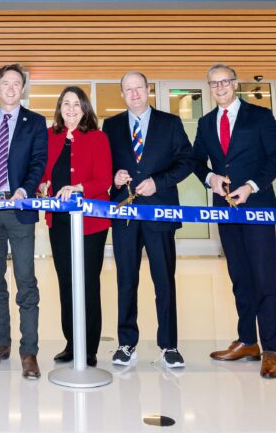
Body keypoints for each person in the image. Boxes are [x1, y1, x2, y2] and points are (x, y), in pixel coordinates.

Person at [192, 64, 276, 379]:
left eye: (224, 81)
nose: (219, 87)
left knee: (263, 278)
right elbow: (195, 160)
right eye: (213, 83)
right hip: (225, 209)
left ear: (235, 84)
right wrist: (210, 178)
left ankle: (270, 349)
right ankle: (248, 341)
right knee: (239, 277)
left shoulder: (259, 116)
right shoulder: (206, 123)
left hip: (257, 207)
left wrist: (251, 186)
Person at [102, 71, 194, 369]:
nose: (134, 94)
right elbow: (105, 165)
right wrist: (114, 177)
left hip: (160, 211)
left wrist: (160, 182)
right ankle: (126, 343)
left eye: (138, 88)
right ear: (122, 94)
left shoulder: (170, 123)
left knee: (164, 281)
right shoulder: (111, 125)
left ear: (148, 89)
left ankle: (169, 345)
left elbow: (187, 161)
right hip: (125, 214)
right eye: (127, 89)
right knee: (126, 280)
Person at [0, 63, 47, 379]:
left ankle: (29, 351)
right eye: (6, 82)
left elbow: (38, 161)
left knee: (26, 282)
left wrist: (24, 189)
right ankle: (0, 343)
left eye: (17, 83)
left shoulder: (36, 122)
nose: (11, 88)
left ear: (23, 88)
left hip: (20, 210)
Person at [38, 86, 112, 367]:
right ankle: (71, 343)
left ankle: (90, 347)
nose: (70, 109)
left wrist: (79, 187)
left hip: (91, 223)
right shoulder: (48, 136)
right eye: (65, 104)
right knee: (66, 282)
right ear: (59, 108)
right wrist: (43, 184)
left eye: (76, 104)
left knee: (88, 283)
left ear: (85, 109)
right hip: (59, 222)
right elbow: (43, 173)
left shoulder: (98, 138)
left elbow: (104, 179)